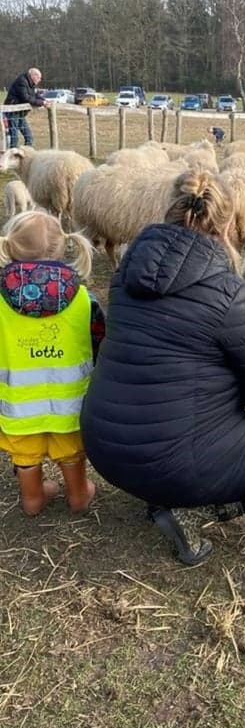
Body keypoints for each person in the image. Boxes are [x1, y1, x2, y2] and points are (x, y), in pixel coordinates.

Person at [80, 170, 245, 566]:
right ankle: (191, 511)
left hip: (106, 448)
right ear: (228, 224)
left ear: (168, 211)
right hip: (176, 461)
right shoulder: (235, 297)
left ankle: (162, 492)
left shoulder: (125, 275)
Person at [0, 211, 104, 516]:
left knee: (26, 453)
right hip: (70, 405)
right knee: (71, 452)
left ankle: (33, 499)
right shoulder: (86, 300)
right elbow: (100, 341)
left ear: (9, 247)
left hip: (18, 408)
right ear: (65, 246)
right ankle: (79, 495)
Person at [3, 67, 47, 148]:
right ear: (33, 76)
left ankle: (26, 156)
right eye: (39, 77)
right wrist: (41, 103)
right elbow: (26, 97)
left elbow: (34, 95)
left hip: (21, 113)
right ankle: (12, 156)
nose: (40, 79)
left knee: (29, 137)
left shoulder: (31, 84)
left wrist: (45, 101)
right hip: (13, 112)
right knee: (14, 137)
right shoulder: (22, 81)